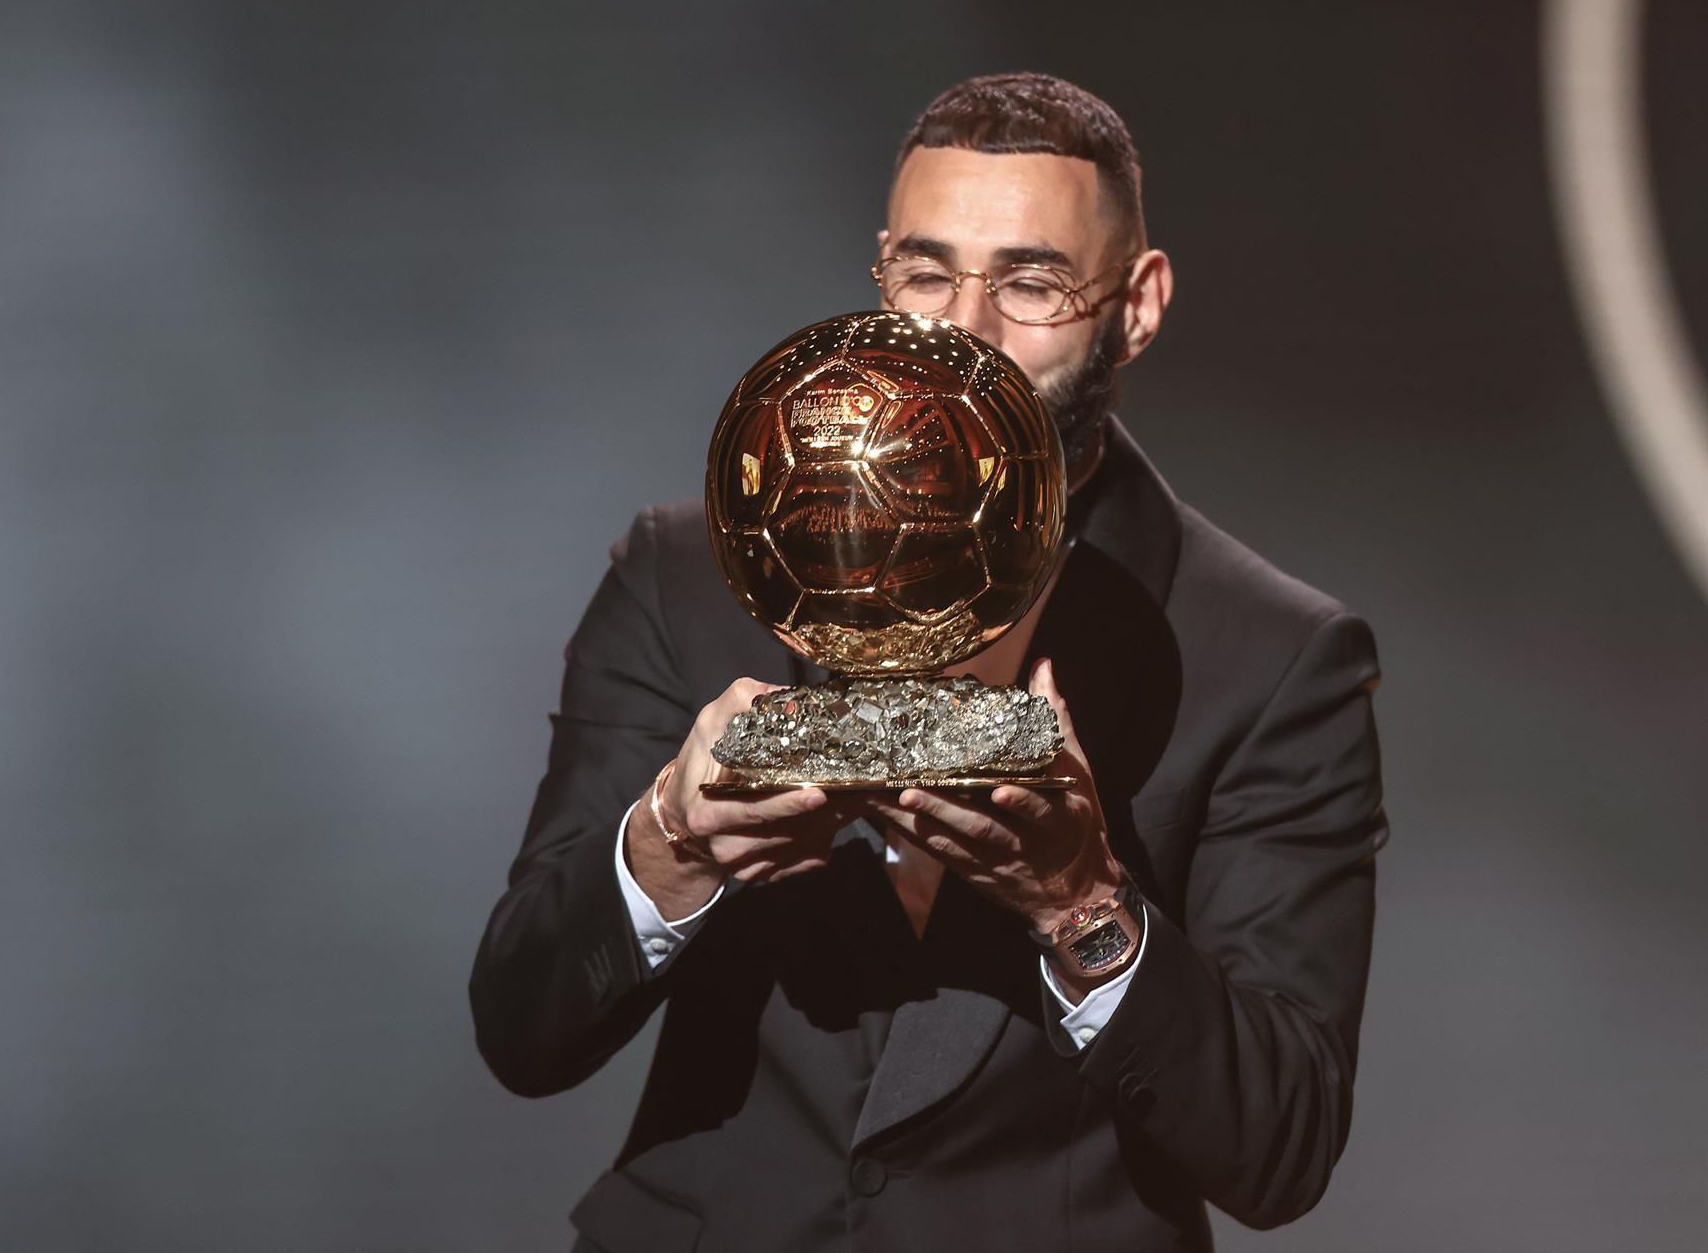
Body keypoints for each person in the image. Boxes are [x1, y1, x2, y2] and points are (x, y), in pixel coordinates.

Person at [470, 72, 1388, 1252]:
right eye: (928, 274)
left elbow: (1282, 1144)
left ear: (1138, 305)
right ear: (881, 279)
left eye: (1030, 283)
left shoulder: (1274, 655)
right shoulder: (688, 575)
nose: (964, 334)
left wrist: (1079, 903)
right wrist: (669, 847)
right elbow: (522, 1028)